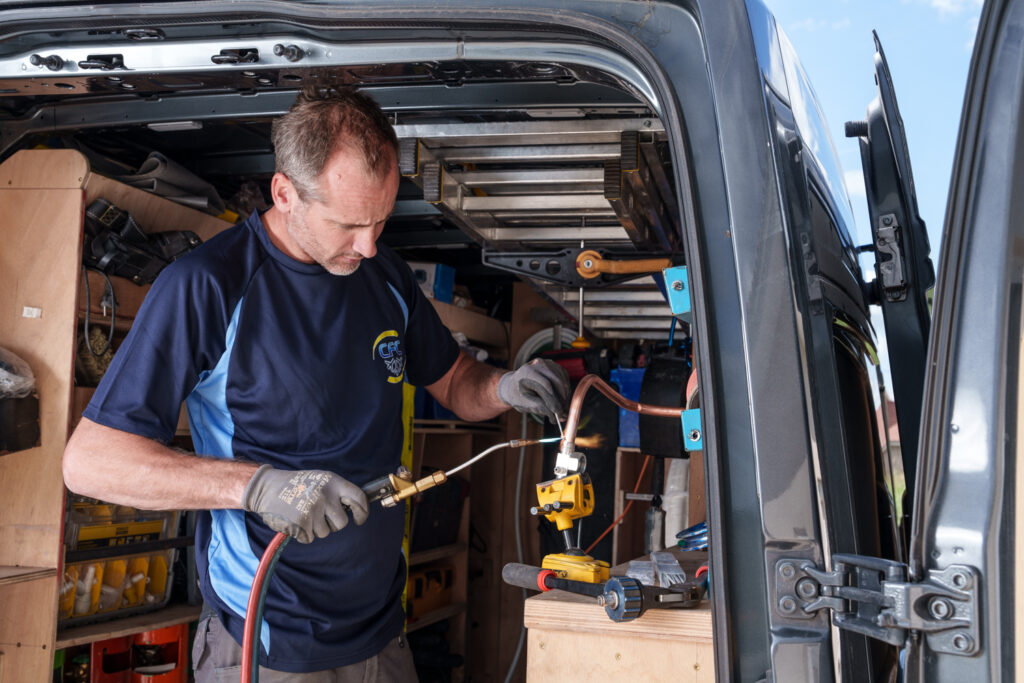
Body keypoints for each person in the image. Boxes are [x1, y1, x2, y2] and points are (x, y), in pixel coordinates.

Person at [62, 87, 571, 681]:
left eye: (380, 220)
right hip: (270, 640)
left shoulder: (384, 276)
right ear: (284, 192)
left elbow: (454, 378)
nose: (370, 244)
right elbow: (93, 462)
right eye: (350, 224)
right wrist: (257, 487)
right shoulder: (209, 286)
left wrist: (505, 387)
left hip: (384, 632)